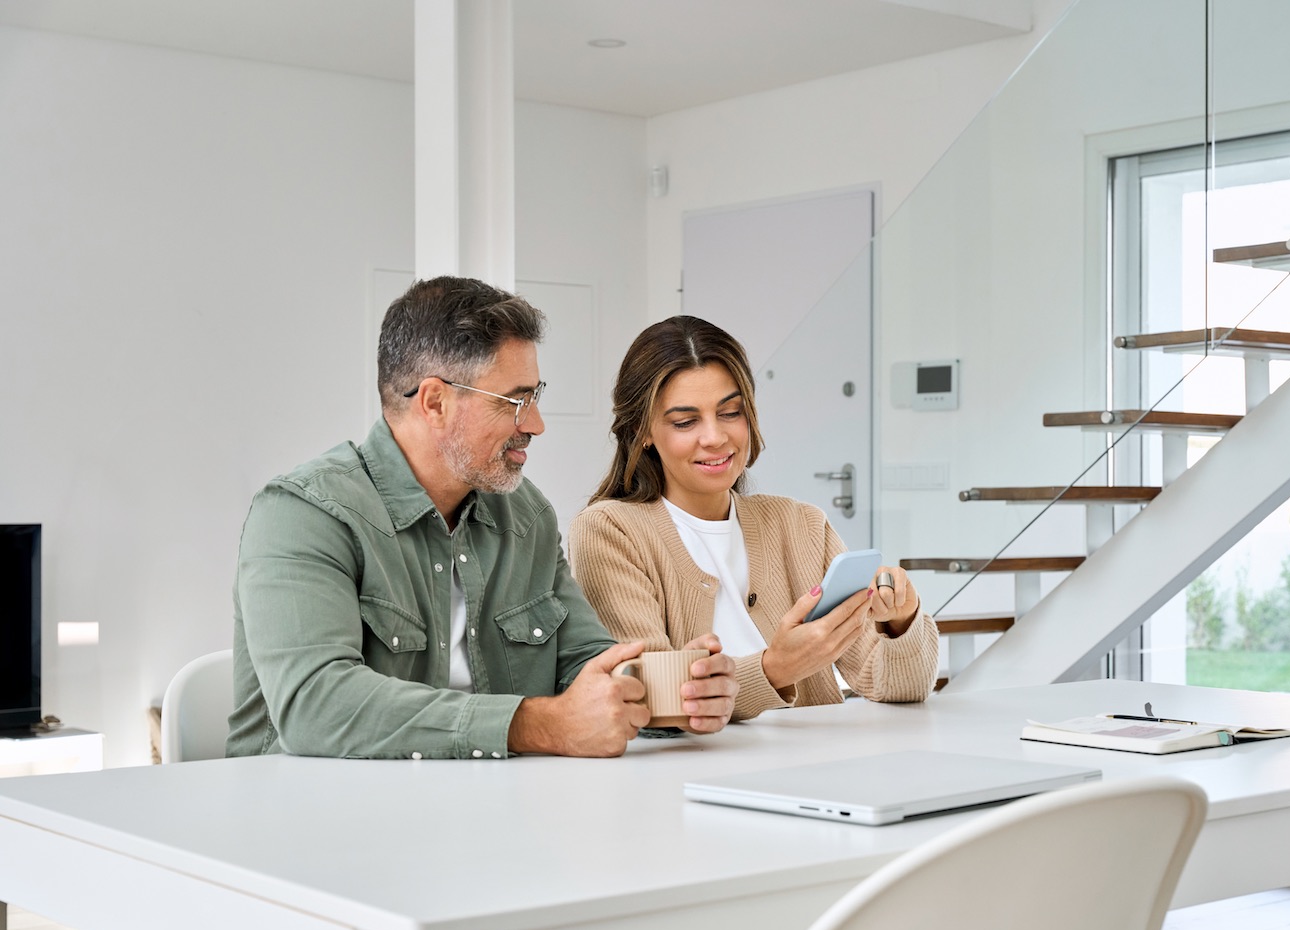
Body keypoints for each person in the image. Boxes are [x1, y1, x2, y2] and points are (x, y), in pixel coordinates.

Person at [227, 278, 740, 762]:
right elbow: (317, 705)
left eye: (535, 397)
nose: (535, 424)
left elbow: (584, 661)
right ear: (435, 402)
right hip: (307, 828)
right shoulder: (304, 513)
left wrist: (672, 690)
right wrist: (538, 725)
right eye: (515, 401)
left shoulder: (524, 514)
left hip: (486, 816)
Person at [568, 316, 938, 721]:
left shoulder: (800, 525)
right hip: (690, 779)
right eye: (685, 422)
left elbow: (902, 688)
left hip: (819, 772)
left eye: (730, 412)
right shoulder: (609, 531)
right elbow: (652, 700)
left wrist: (902, 621)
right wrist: (775, 669)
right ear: (643, 431)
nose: (715, 437)